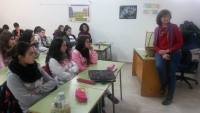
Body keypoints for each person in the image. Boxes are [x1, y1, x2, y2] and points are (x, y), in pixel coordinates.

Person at [6, 41, 57, 113]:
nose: (34, 56)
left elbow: (53, 82)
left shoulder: (35, 67)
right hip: (32, 109)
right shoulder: (12, 77)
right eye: (30, 54)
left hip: (47, 101)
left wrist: (36, 91)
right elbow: (28, 101)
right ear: (21, 57)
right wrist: (47, 92)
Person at [72, 35, 119, 105]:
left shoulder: (86, 50)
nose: (89, 43)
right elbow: (78, 67)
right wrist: (88, 70)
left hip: (88, 71)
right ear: (82, 43)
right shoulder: (76, 53)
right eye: (87, 42)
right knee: (96, 82)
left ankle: (104, 101)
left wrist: (92, 50)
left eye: (89, 41)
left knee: (100, 79)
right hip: (80, 75)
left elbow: (94, 61)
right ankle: (108, 96)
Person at [154, 9, 183, 105]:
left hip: (174, 53)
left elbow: (180, 42)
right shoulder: (157, 29)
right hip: (161, 52)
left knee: (171, 75)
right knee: (159, 66)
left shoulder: (174, 27)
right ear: (160, 18)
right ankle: (164, 83)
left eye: (168, 16)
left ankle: (170, 97)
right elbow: (155, 45)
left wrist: (168, 51)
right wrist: (162, 53)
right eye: (164, 16)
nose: (166, 18)